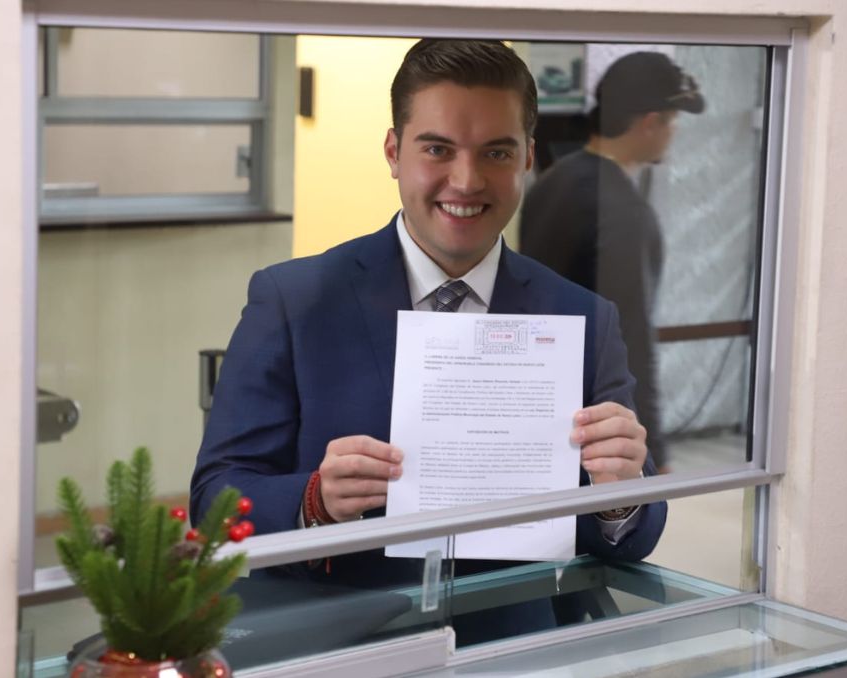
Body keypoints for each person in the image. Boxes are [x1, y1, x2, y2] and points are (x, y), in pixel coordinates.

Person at [190, 39, 666, 642]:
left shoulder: (583, 318)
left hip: (510, 646)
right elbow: (215, 500)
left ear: (527, 157)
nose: (466, 181)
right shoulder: (294, 300)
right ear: (394, 152)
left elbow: (633, 533)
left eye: (496, 152)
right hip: (339, 646)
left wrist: (619, 497)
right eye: (438, 149)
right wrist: (314, 500)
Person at [520, 51, 705, 474]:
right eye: (673, 120)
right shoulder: (621, 209)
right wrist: (652, 453)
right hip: (594, 426)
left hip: (537, 401)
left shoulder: (553, 181)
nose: (674, 132)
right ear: (649, 123)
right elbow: (631, 335)